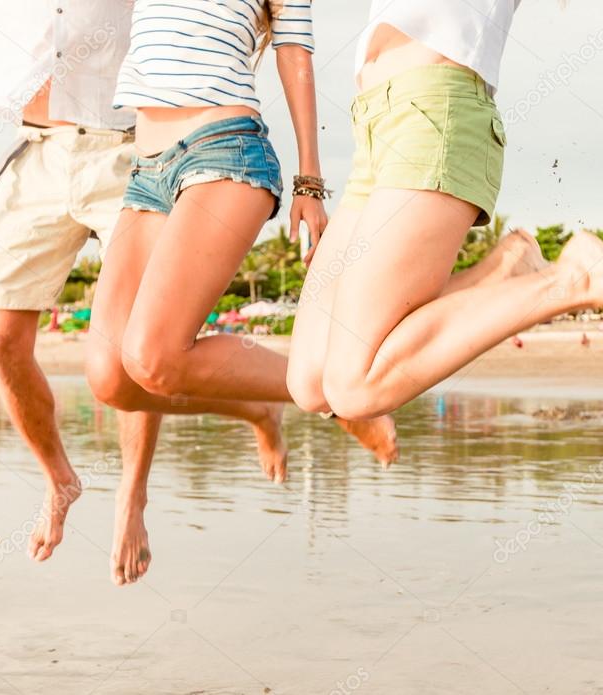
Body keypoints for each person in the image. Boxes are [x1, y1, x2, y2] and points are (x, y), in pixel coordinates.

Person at [0, 0, 315, 579]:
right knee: (6, 343)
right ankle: (60, 480)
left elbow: (290, 45)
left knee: (144, 347)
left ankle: (133, 495)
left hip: (127, 143)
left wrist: (311, 178)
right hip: (36, 150)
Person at [85, 0, 403, 585]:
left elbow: (294, 54)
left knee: (152, 357)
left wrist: (310, 180)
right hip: (146, 166)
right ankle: (262, 406)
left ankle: (335, 395)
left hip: (224, 148)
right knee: (109, 376)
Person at [285, 1, 603, 420]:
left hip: (434, 113)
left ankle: (573, 280)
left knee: (354, 388)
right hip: (373, 123)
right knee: (310, 381)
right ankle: (503, 272)